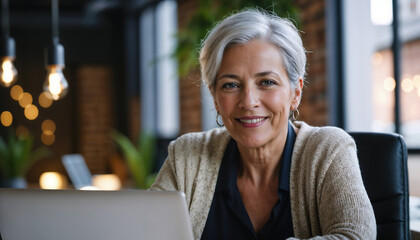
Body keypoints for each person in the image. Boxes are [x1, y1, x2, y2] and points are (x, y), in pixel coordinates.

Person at [150, 9, 376, 240]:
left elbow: (355, 236)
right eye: (230, 85)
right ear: (215, 96)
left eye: (267, 82)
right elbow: (142, 230)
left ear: (295, 92)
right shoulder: (186, 156)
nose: (248, 102)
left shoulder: (329, 150)